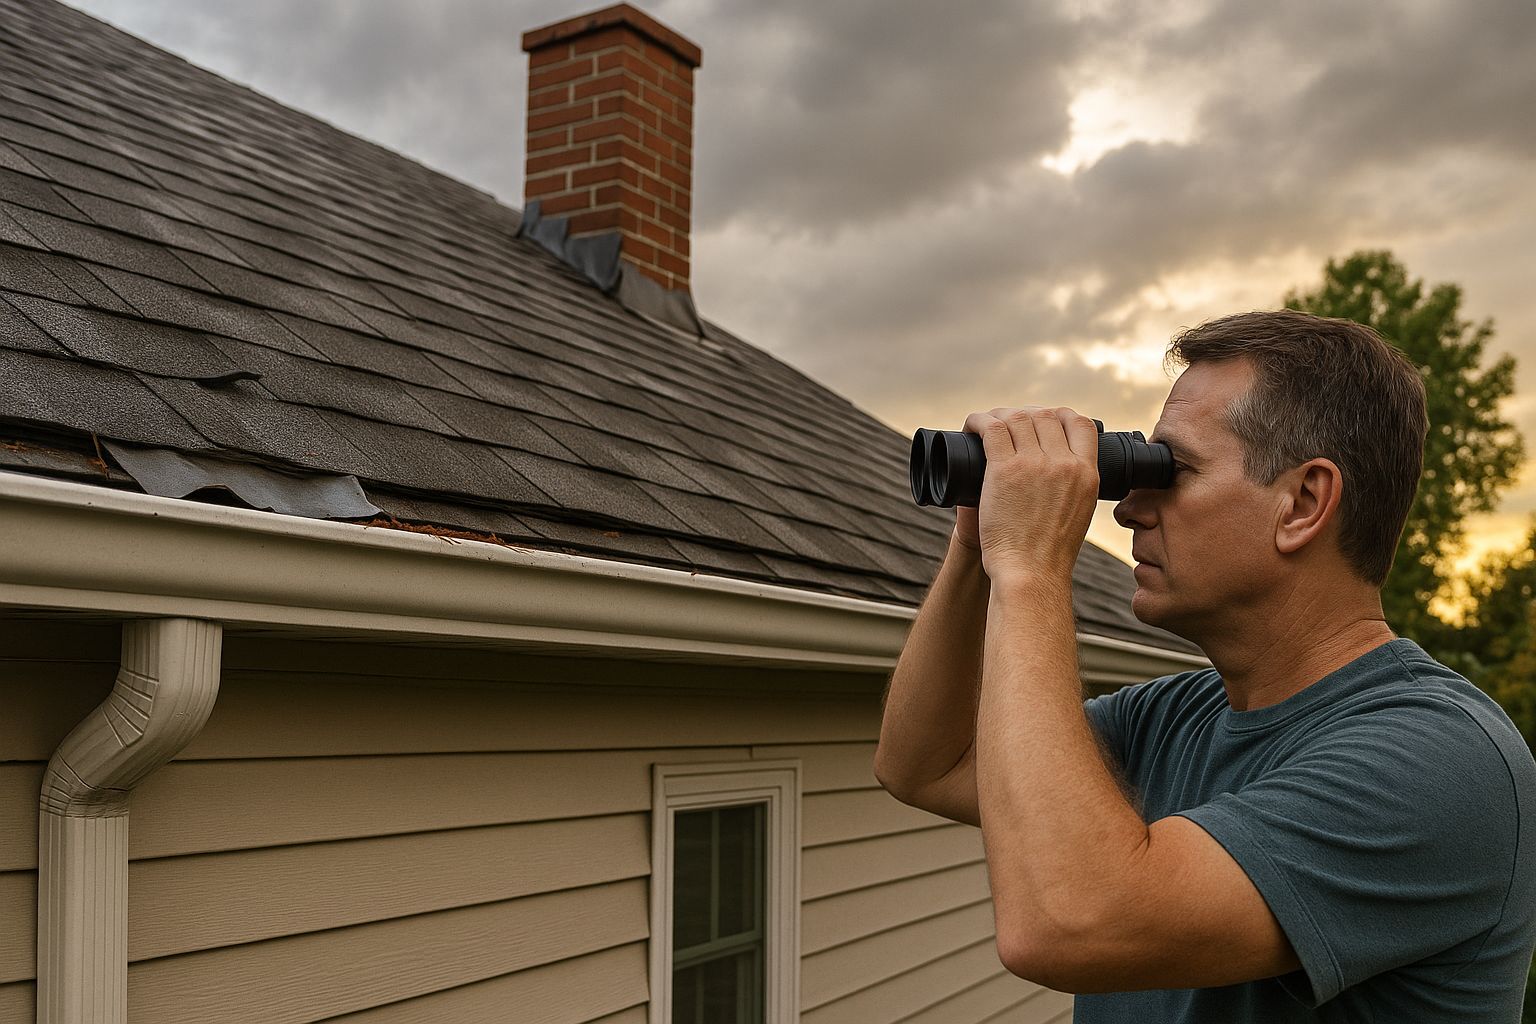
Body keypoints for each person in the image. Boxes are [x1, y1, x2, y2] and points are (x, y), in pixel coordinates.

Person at [874, 309, 1536, 1022]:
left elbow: (1069, 924)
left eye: (1172, 470)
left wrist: (1031, 566)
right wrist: (979, 543)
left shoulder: (1441, 761)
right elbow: (927, 764)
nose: (1127, 507)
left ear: (1304, 504)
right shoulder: (1168, 718)